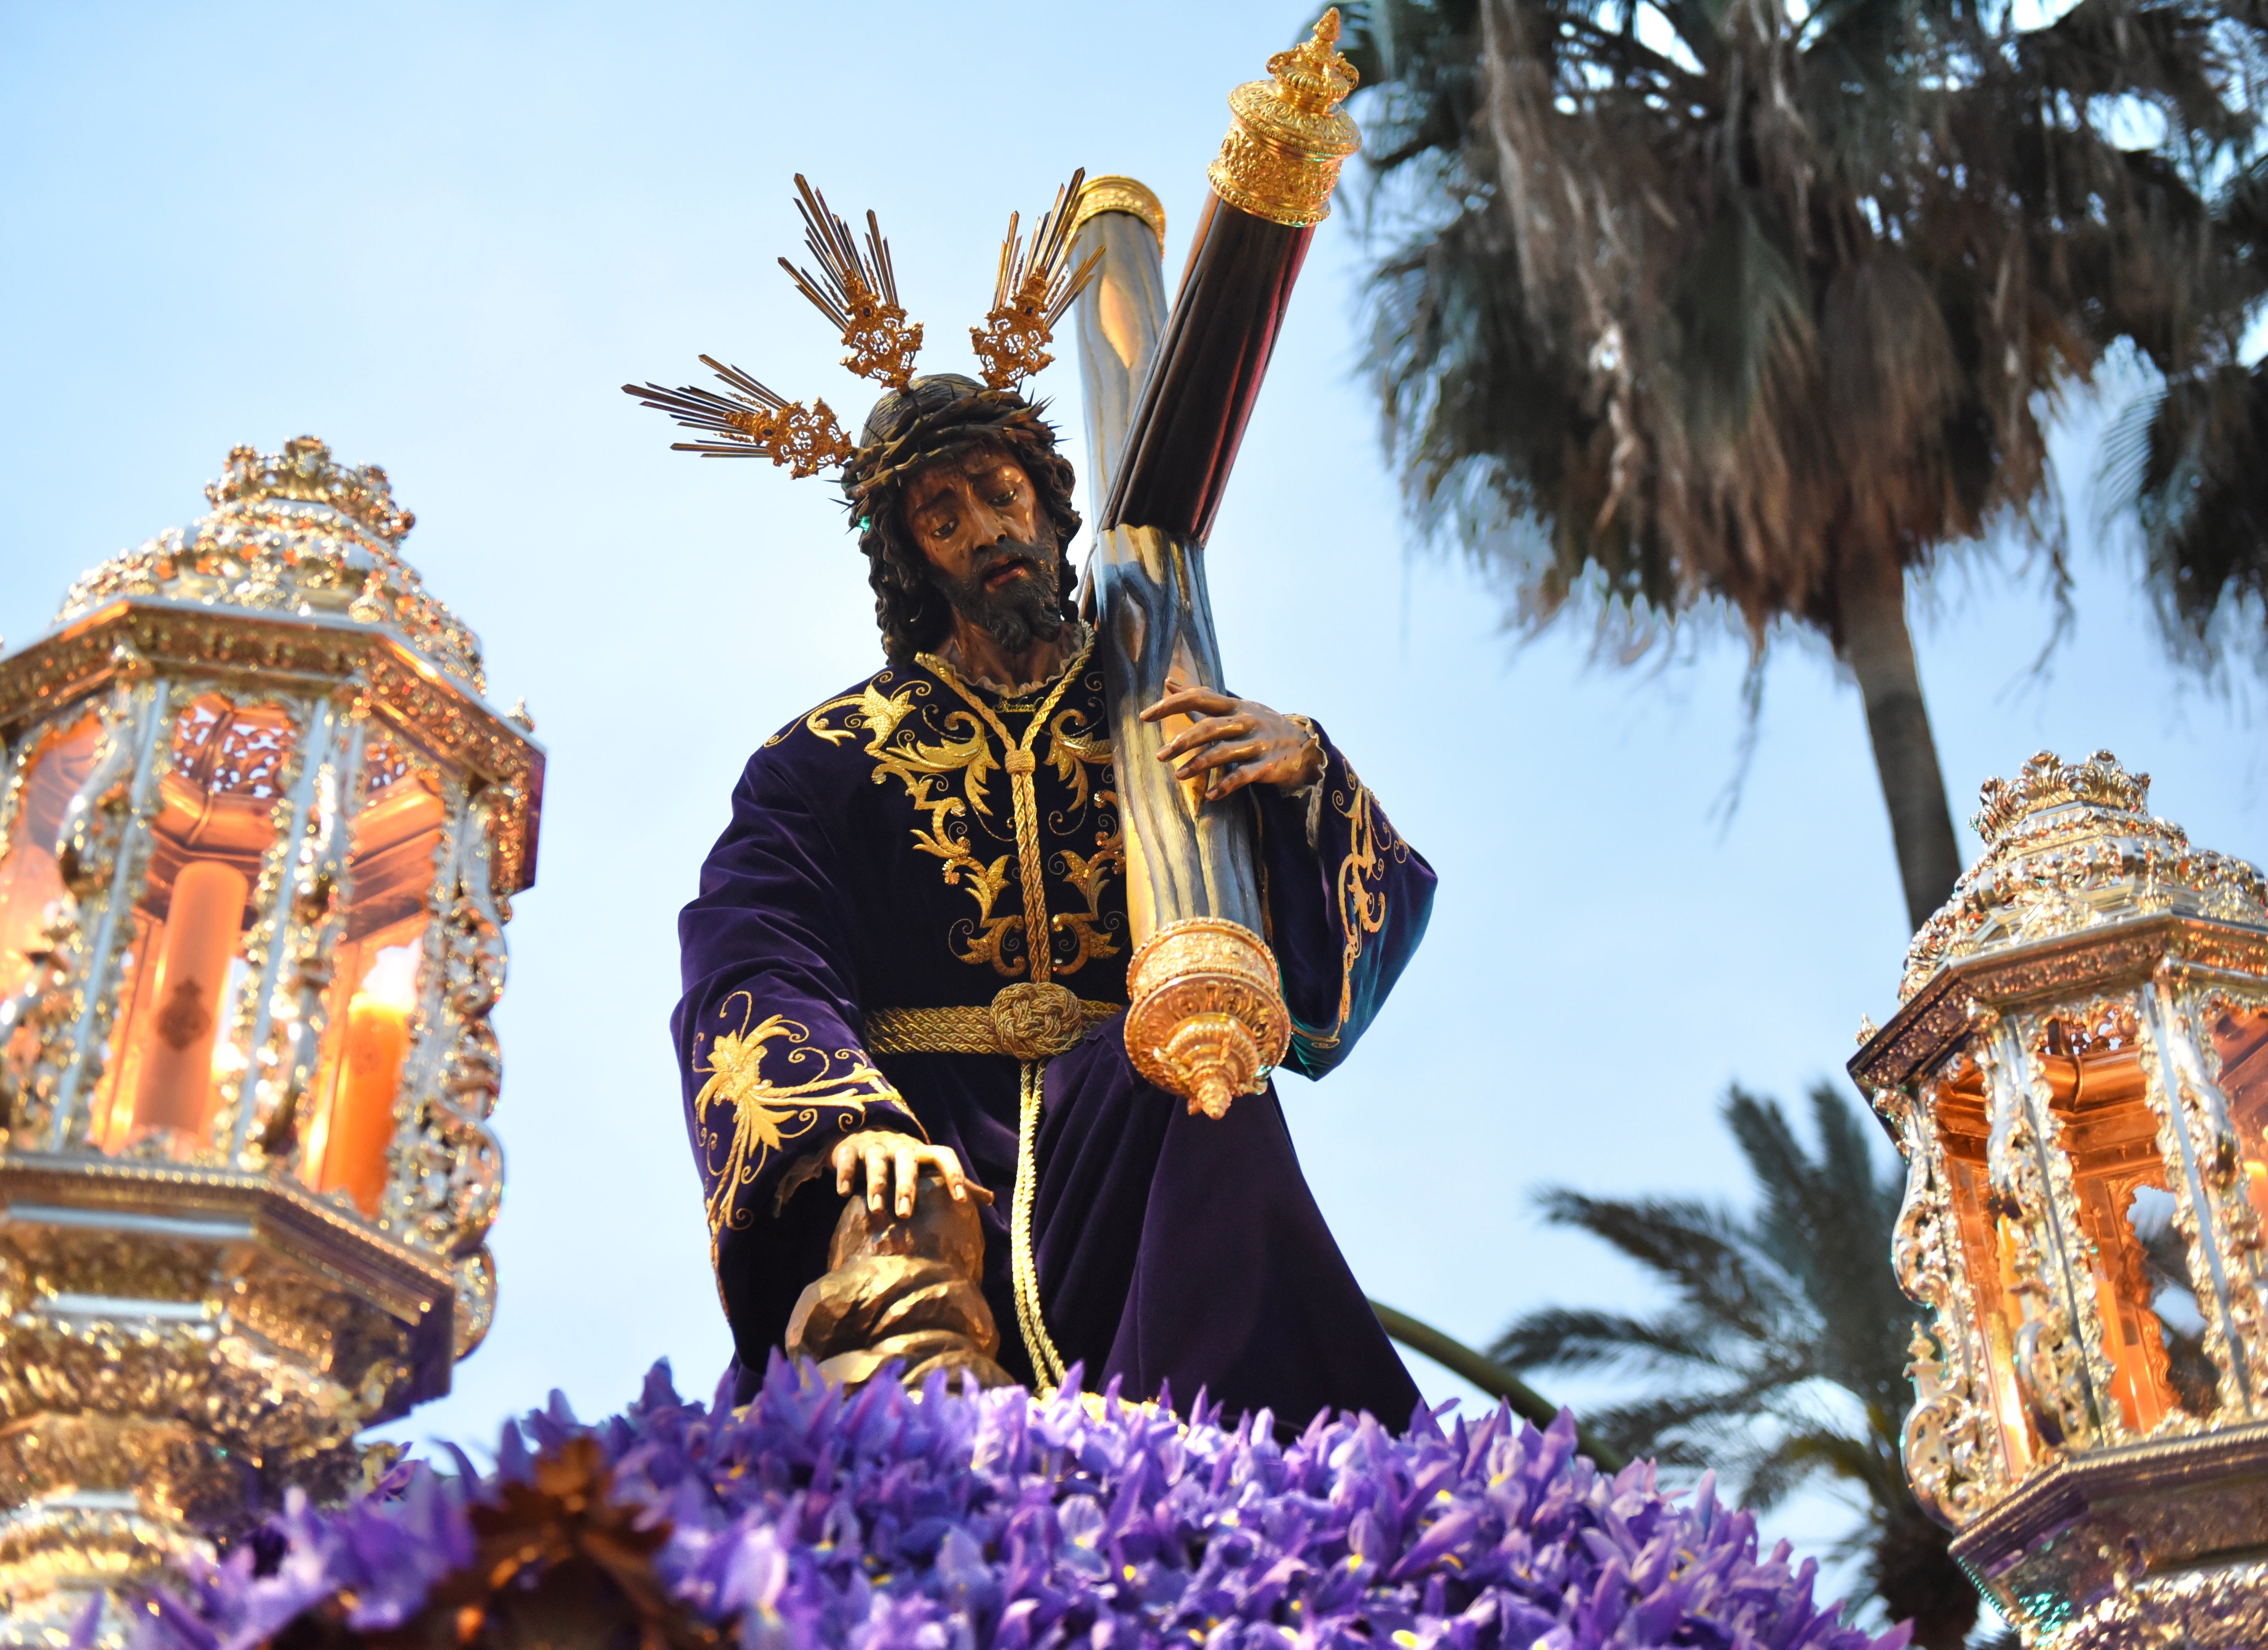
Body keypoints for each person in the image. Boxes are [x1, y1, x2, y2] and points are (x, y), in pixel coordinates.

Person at [640, 183, 1434, 1427]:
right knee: (888, 1269)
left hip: (1140, 1126)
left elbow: (1331, 989)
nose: (987, 530)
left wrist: (1305, 777)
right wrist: (841, 1118)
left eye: (1002, 495)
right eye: (943, 516)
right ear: (915, 564)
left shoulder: (1160, 705)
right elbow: (750, 949)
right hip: (925, 1128)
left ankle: (1257, 1495)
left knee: (1210, 1094)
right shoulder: (825, 760)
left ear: (1054, 511)